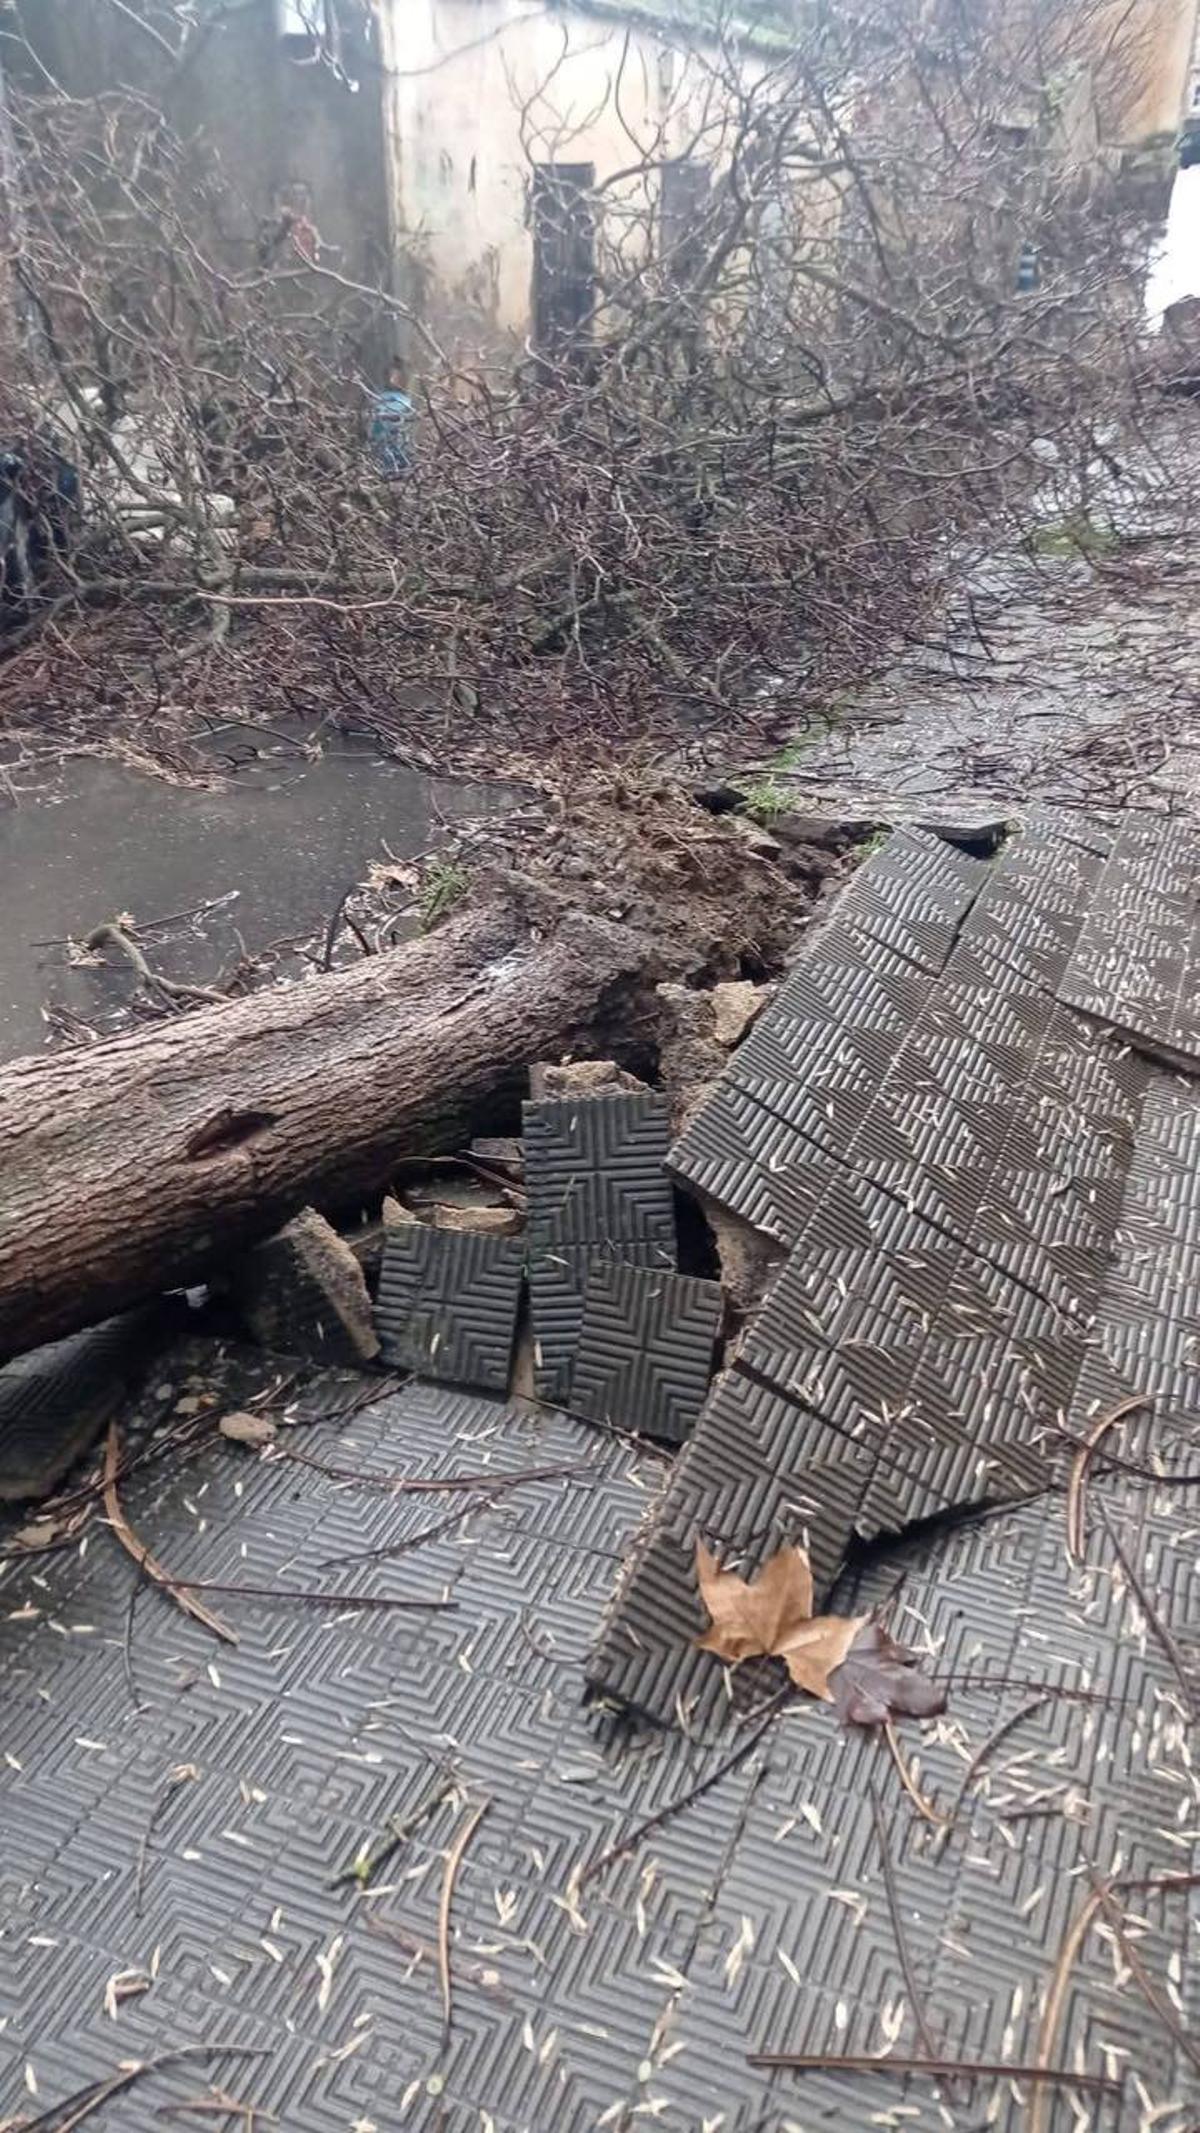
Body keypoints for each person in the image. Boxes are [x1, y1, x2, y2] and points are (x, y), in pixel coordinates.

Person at [368, 358, 415, 477]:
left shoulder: (405, 400)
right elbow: (375, 420)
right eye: (391, 375)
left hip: (398, 440)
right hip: (381, 443)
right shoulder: (380, 397)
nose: (392, 379)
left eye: (397, 377)